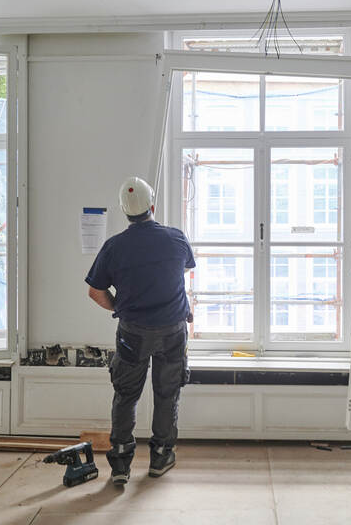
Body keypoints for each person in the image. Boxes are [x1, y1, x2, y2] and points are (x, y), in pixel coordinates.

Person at [85, 176, 195, 485]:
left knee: (126, 395)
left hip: (133, 332)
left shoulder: (114, 246)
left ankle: (120, 465)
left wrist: (120, 307)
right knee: (167, 394)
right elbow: (181, 272)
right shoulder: (176, 238)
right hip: (173, 330)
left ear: (124, 211)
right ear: (152, 205)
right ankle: (161, 456)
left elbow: (96, 291)